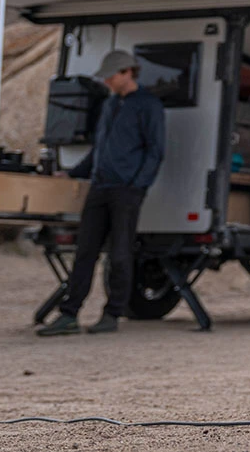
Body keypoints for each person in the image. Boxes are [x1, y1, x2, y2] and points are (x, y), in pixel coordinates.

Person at [38, 50, 166, 336]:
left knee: (120, 254)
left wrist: (137, 185)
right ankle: (69, 314)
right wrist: (73, 173)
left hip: (126, 191)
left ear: (127, 72)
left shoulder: (148, 105)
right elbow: (99, 149)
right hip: (99, 186)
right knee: (85, 252)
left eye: (110, 76)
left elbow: (155, 151)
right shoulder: (109, 105)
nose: (106, 81)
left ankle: (112, 313)